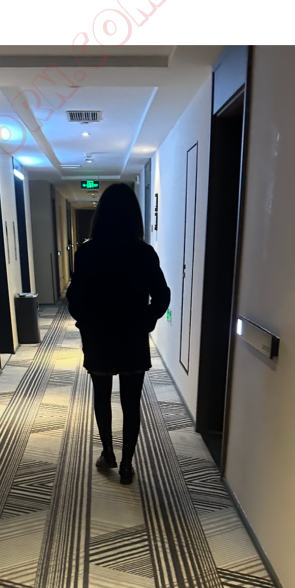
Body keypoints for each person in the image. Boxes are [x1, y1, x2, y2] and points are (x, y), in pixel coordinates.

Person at [66, 183, 171, 484]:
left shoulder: (87, 252)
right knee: (131, 402)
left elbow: (75, 296)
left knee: (101, 396)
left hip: (99, 335)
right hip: (132, 336)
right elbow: (162, 295)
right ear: (134, 216)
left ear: (101, 215)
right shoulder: (144, 252)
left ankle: (108, 453)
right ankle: (127, 464)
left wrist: (85, 322)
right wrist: (146, 322)